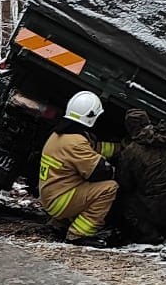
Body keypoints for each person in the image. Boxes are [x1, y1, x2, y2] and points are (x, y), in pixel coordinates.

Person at [37, 91, 117, 246]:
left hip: (51, 196)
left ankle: (59, 224)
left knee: (78, 180)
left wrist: (120, 148)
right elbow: (99, 171)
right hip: (60, 201)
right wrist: (115, 170)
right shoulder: (76, 143)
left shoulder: (60, 135)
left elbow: (94, 148)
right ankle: (78, 234)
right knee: (109, 188)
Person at [111, 106, 166, 245]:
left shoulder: (131, 152)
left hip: (155, 208)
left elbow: (124, 183)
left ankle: (149, 235)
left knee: (126, 200)